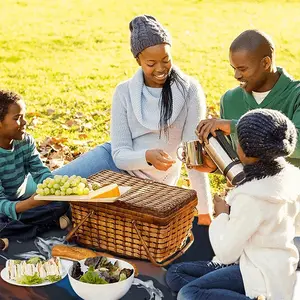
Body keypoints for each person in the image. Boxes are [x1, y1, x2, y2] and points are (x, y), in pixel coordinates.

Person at [52, 15, 213, 225]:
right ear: (138, 60)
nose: (160, 68)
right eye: (151, 63)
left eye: (166, 59)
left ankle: (64, 216)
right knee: (48, 189)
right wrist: (146, 156)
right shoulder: (125, 92)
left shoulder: (190, 90)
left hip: (149, 184)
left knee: (74, 208)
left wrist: (204, 211)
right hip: (113, 163)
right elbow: (119, 155)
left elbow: (193, 157)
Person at [166, 108, 300, 300]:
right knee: (175, 274)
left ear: (244, 151)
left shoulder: (252, 197)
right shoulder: (291, 178)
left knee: (188, 293)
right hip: (274, 266)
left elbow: (225, 252)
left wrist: (222, 215)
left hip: (259, 274)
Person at [195, 29, 300, 173]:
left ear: (265, 63)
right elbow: (238, 162)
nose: (236, 75)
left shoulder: (296, 95)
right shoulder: (230, 99)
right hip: (250, 191)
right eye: (234, 68)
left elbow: (297, 144)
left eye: (242, 69)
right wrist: (215, 167)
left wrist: (235, 127)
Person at [0, 90, 69, 240]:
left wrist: (53, 189)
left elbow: (40, 172)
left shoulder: (25, 141)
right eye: (17, 118)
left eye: (24, 116)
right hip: (5, 208)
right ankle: (44, 225)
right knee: (2, 222)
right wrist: (30, 204)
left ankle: (21, 230)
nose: (24, 122)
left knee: (63, 203)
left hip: (20, 202)